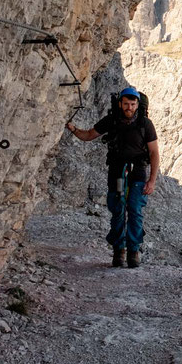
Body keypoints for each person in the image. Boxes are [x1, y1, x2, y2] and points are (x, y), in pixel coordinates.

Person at [65, 87, 159, 268]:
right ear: (120, 103)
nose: (129, 108)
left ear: (138, 105)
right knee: (118, 209)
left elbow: (154, 153)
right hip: (117, 172)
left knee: (134, 211)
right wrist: (74, 129)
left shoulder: (145, 124)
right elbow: (89, 135)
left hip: (137, 173)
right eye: (126, 104)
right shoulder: (112, 121)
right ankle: (119, 251)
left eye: (132, 104)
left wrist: (152, 180)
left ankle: (133, 251)